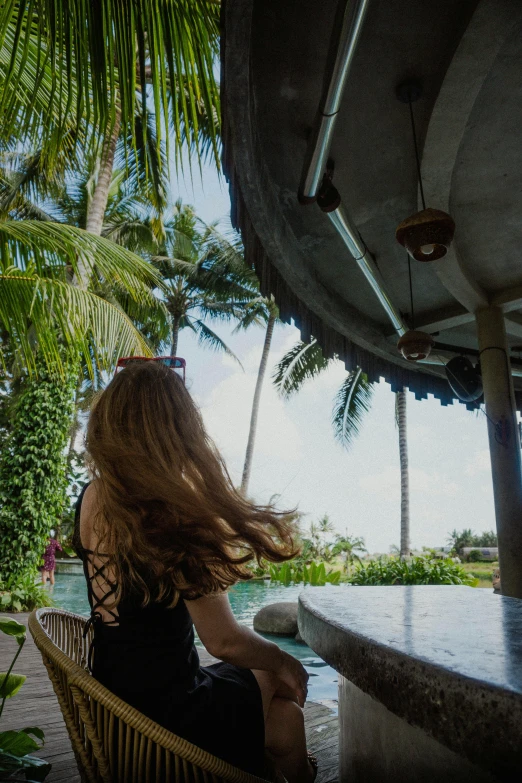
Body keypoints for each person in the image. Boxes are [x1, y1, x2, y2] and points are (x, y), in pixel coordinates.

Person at [73, 358, 317, 783]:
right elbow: (222, 641)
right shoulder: (170, 515)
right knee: (284, 701)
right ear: (176, 430)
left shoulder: (94, 496)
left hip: (117, 707)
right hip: (171, 719)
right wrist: (284, 660)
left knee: (281, 710)